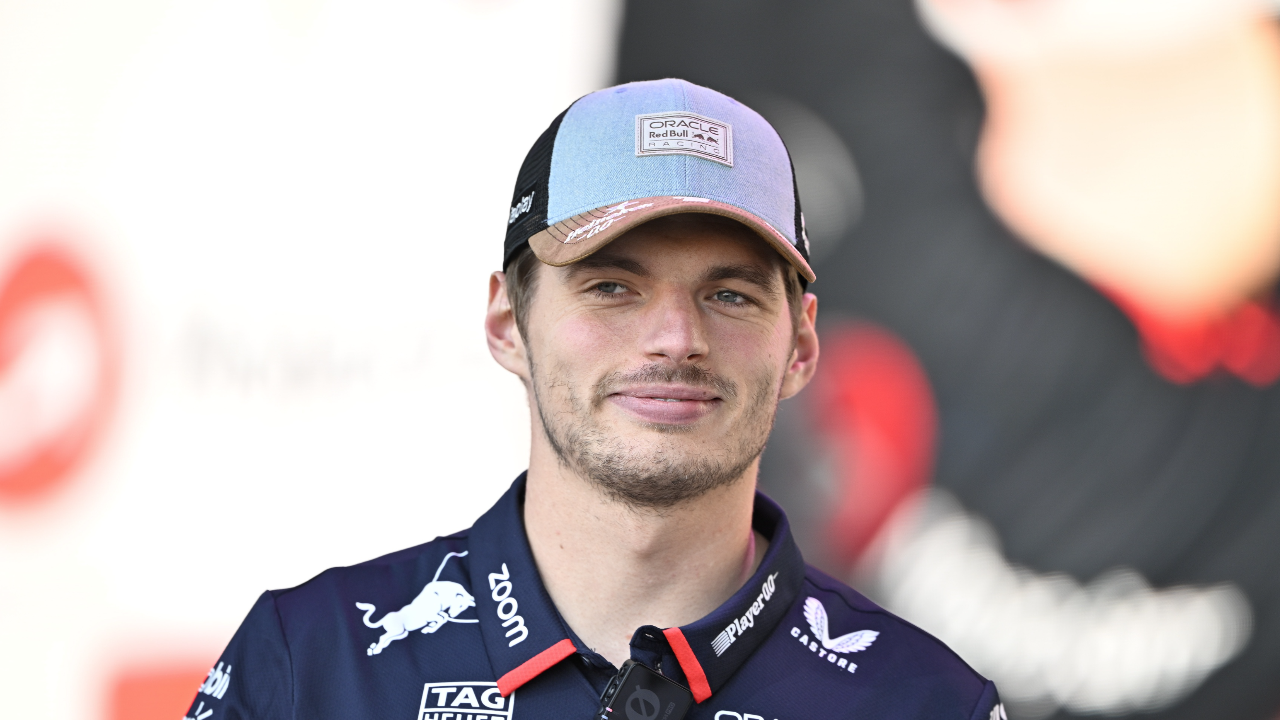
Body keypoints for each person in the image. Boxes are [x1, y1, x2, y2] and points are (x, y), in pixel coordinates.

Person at [183, 78, 1003, 720]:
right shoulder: (312, 669)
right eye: (612, 286)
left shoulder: (926, 703)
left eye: (730, 295)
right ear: (509, 322)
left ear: (801, 344)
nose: (676, 338)